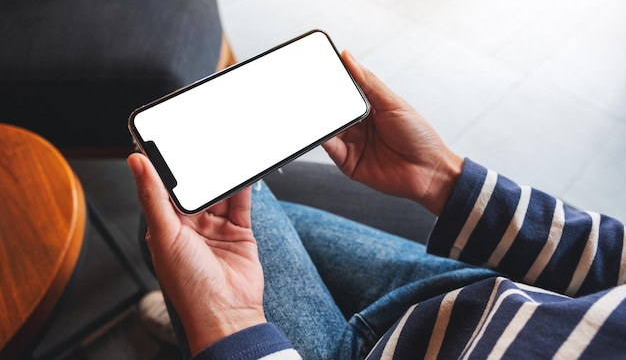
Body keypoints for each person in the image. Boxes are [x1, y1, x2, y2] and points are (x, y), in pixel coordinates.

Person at [127, 50, 626, 360]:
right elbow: (615, 260)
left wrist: (230, 329)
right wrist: (443, 178)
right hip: (472, 300)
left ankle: (198, 335)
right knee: (194, 211)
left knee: (185, 220)